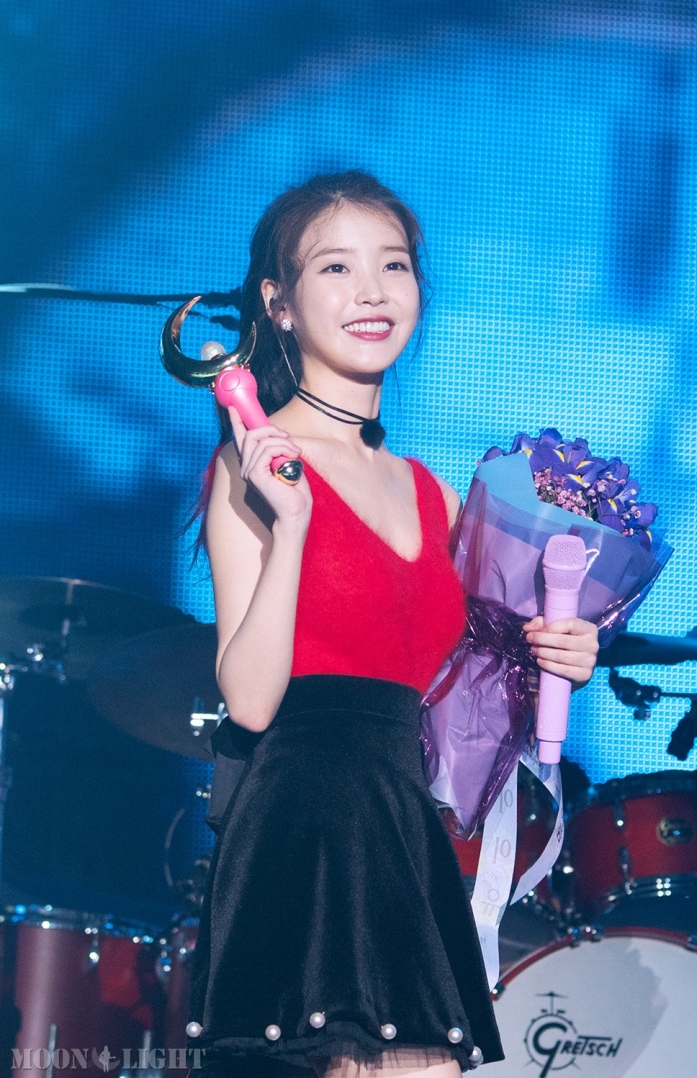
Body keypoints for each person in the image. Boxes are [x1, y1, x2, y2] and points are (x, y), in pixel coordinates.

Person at [187, 171, 598, 1078]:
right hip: (304, 831)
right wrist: (292, 526)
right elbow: (249, 702)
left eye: (395, 265)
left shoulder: (436, 495)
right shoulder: (251, 467)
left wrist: (561, 653)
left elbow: (474, 693)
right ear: (278, 303)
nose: (371, 291)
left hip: (403, 830)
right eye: (336, 268)